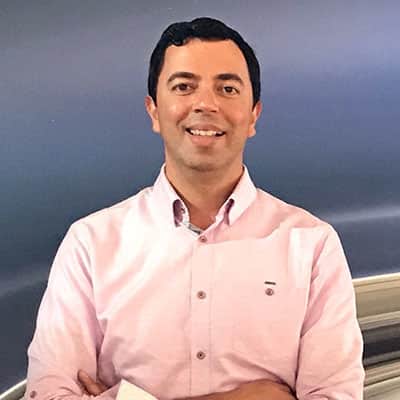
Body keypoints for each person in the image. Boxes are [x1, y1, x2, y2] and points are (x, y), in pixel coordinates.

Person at [26, 17, 365, 400]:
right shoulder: (91, 244)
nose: (205, 104)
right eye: (184, 87)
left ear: (254, 115)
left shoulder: (311, 245)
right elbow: (48, 394)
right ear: (154, 111)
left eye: (227, 88)